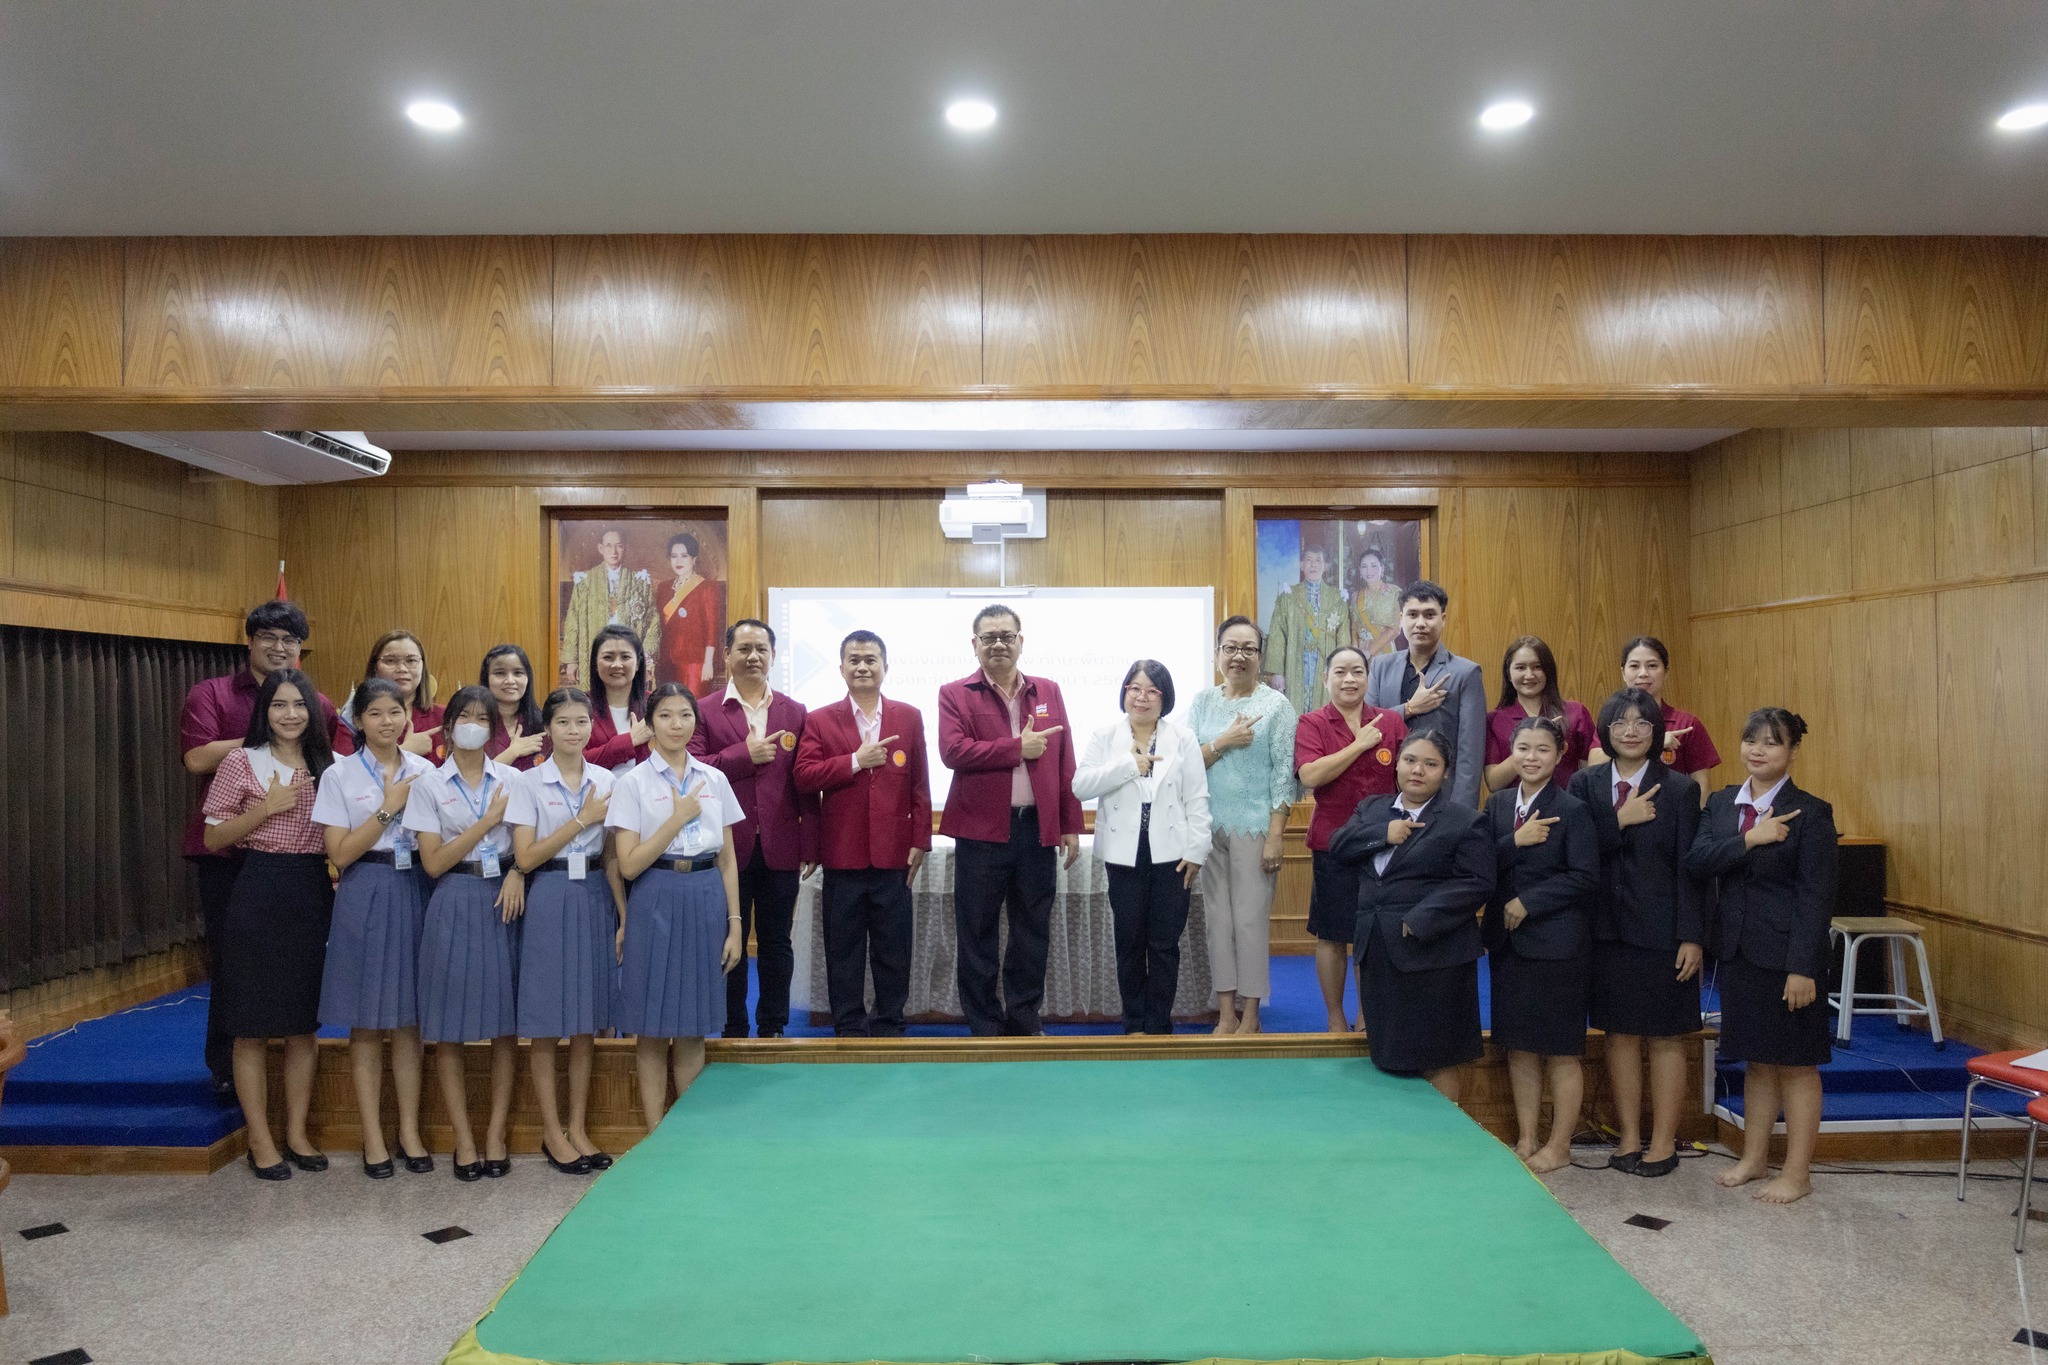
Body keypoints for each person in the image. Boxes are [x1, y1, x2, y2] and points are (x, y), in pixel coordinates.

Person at [179, 600, 340, 1092]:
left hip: (304, 867)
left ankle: (280, 1080)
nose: (279, 647)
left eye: (290, 640)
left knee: (299, 976)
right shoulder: (212, 693)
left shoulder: (322, 704)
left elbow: (339, 761)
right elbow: (196, 758)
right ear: (249, 641)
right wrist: (262, 739)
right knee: (233, 967)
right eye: (268, 636)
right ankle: (227, 1071)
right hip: (231, 862)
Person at [1686, 707, 1837, 1205]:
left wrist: (1803, 967)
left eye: (1771, 742)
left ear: (1792, 751)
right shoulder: (1725, 802)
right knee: (1757, 1063)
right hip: (1737, 953)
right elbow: (1699, 860)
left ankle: (1798, 1172)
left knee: (1796, 1064)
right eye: (1751, 739)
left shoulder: (1812, 811)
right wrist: (1750, 838)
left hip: (1789, 958)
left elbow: (1816, 897)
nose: (1758, 749)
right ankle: (1754, 1158)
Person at [199, 667, 336, 1180]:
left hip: (313, 890)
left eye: (299, 705)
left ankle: (297, 1132)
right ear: (265, 711)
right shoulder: (242, 762)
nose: (290, 714)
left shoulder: (329, 764)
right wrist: (268, 807)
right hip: (258, 887)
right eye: (279, 705)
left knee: (303, 1025)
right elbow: (214, 839)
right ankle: (260, 1140)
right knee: (251, 1026)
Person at [1568, 687, 1702, 1179]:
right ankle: (1627, 1137)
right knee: (1619, 1036)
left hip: (1663, 932)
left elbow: (1691, 870)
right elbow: (1575, 850)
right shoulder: (1585, 785)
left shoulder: (1682, 789)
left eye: (1642, 723)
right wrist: (1618, 822)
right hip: (1603, 931)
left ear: (1656, 732)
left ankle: (1663, 1143)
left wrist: (1693, 935)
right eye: (1620, 722)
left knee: (1666, 1038)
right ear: (1605, 730)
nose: (1630, 731)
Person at [312, 678, 438, 1178]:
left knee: (409, 1021)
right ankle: (372, 1136)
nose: (387, 722)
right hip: (364, 888)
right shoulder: (338, 775)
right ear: (358, 720)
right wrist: (389, 805)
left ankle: (408, 1130)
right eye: (376, 713)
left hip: (415, 890)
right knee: (366, 1023)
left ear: (408, 717)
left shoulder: (427, 770)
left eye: (396, 712)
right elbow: (339, 854)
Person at [937, 605, 1082, 1037]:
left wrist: (1070, 823)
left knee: (1032, 931)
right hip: (980, 832)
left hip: (1035, 829)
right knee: (977, 933)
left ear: (1021, 640)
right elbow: (953, 752)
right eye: (989, 637)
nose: (998, 643)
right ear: (975, 644)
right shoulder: (955, 693)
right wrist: (1016, 748)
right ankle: (983, 1024)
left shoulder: (1048, 691)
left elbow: (1064, 759)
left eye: (1006, 635)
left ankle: (1023, 1019)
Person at [608, 684, 745, 1131]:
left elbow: (727, 859)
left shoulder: (715, 779)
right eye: (665, 716)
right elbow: (627, 865)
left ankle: (686, 1134)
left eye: (685, 715)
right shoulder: (632, 783)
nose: (676, 725)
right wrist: (676, 819)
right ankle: (653, 1132)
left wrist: (736, 925)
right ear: (649, 724)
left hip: (705, 895)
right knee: (650, 1028)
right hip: (655, 894)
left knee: (691, 1026)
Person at [1329, 729, 1494, 1100]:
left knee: (1440, 1057)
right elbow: (1339, 845)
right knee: (1388, 1055)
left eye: (1431, 764)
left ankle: (1444, 1145)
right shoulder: (1372, 809)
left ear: (1446, 772)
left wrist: (1420, 919)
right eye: (1410, 760)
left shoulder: (1464, 820)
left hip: (1435, 953)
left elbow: (1477, 882)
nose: (1418, 770)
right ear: (1398, 763)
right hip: (1378, 949)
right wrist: (1383, 833)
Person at [406, 684, 525, 1182]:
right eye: (464, 717)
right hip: (453, 899)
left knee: (504, 1027)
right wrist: (484, 825)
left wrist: (518, 869)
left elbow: (525, 846)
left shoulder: (514, 779)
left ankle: (496, 1133)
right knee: (449, 1030)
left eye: (483, 717)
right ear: (447, 727)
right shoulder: (428, 785)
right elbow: (433, 862)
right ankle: (463, 1139)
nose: (473, 724)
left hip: (504, 899)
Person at [793, 631, 931, 1037]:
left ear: (885, 667)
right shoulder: (819, 719)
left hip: (894, 856)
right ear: (841, 669)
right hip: (843, 855)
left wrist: (920, 840)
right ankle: (849, 1025)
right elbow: (803, 776)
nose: (863, 667)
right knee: (844, 950)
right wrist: (855, 760)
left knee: (894, 948)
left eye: (871, 660)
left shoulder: (908, 716)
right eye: (854, 660)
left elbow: (920, 784)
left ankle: (889, 1022)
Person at [507, 688, 620, 1175]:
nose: (574, 731)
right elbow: (526, 857)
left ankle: (578, 1126)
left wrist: (623, 914)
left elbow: (613, 854)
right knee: (547, 1022)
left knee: (585, 1023)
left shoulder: (606, 778)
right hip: (549, 893)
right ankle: (552, 1131)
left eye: (581, 722)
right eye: (563, 723)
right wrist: (582, 819)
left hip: (594, 891)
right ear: (546, 729)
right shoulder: (527, 784)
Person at [689, 618, 819, 1038]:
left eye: (761, 649)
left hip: (781, 845)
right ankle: (732, 1024)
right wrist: (741, 756)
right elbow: (692, 769)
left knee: (777, 941)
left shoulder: (794, 712)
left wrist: (811, 842)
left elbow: (806, 781)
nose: (753, 657)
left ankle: (773, 1024)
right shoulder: (704, 710)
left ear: (774, 656)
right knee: (732, 934)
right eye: (743, 648)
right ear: (726, 655)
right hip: (727, 846)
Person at [1482, 715, 1600, 1174]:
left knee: (1560, 1049)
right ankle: (1527, 1137)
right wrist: (1514, 840)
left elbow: (1585, 877)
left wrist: (1529, 901)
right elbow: (1478, 862)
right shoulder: (1497, 806)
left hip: (1558, 946)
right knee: (1519, 1047)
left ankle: (1560, 1144)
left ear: (1560, 754)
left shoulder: (1573, 810)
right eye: (1523, 749)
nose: (1531, 758)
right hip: (1508, 946)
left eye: (1542, 750)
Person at [1073, 661, 1210, 1035]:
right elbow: (1081, 785)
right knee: (1130, 942)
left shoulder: (1182, 738)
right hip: (1123, 857)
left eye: (1152, 690)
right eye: (1134, 688)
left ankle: (1159, 1023)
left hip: (1174, 857)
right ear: (1124, 692)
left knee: (1165, 944)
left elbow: (1197, 799)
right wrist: (1128, 765)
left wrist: (1197, 851)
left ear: (1164, 698)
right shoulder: (1106, 737)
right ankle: (1133, 1022)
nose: (1142, 697)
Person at [1189, 616, 1298, 1034]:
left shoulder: (1276, 706)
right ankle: (1224, 1012)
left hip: (1255, 829)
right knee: (1217, 920)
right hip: (1207, 828)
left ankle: (1251, 1013)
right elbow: (1185, 762)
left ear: (1260, 656)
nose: (1239, 656)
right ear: (1217, 653)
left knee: (1249, 921)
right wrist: (1222, 743)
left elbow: (1284, 775)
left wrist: (1276, 835)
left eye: (1248, 648)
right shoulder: (1202, 703)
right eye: (1230, 647)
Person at [1294, 645, 1405, 1032]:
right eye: (1340, 672)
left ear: (1367, 678)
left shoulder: (1390, 721)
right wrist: (1358, 745)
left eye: (1357, 671)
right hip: (1333, 843)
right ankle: (1335, 1018)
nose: (1349, 679)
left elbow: (1405, 776)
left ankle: (1367, 1016)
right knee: (1333, 934)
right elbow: (1310, 776)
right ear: (1326, 679)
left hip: (1385, 841)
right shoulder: (1312, 723)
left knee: (1371, 934)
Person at [1365, 581, 1487, 808]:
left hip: (1442, 800)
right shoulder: (1381, 666)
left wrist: (1460, 815)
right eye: (1412, 614)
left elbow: (1470, 755)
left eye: (1429, 615)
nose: (1420, 623)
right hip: (1385, 797)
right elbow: (1368, 727)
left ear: (1443, 619)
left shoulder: (1466, 673)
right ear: (1401, 619)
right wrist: (1408, 709)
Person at [1589, 636, 1720, 779]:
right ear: (1623, 673)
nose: (1643, 673)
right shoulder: (1613, 719)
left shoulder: (1687, 724)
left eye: (1652, 666)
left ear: (1666, 672)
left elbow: (1701, 787)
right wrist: (1655, 743)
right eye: (1634, 666)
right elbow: (1594, 764)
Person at [1482, 636, 1597, 793]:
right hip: (1517, 812)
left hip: (1568, 806)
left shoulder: (1575, 712)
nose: (1529, 675)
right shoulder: (1494, 719)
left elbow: (1591, 773)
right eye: (1520, 668)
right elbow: (1494, 782)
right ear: (1508, 674)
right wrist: (1533, 740)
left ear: (1548, 671)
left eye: (1537, 667)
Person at [560, 526, 656, 687]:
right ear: (601, 548)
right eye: (609, 545)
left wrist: (645, 656)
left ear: (625, 548)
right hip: (594, 652)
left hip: (627, 654)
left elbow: (653, 620)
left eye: (619, 545)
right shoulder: (585, 581)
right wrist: (571, 660)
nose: (614, 551)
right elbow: (573, 620)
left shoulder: (639, 582)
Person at [1266, 544, 1352, 712]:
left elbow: (1343, 639)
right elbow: (1277, 635)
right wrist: (1277, 672)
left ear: (1325, 566)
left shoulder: (1337, 598)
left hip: (1325, 665)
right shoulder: (1288, 596)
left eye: (1318, 560)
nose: (1313, 565)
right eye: (1309, 560)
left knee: (1324, 714)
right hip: (1295, 663)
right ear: (1302, 565)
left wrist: (1341, 671)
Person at [332, 630, 443, 759]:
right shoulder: (355, 714)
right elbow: (344, 771)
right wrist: (404, 752)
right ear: (375, 667)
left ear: (423, 667)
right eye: (390, 660)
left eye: (411, 660)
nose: (402, 668)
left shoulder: (444, 716)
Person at [655, 532, 724, 692]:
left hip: (695, 664)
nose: (678, 561)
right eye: (674, 556)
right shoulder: (664, 588)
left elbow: (712, 629)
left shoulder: (707, 587)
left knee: (693, 709)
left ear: (694, 559)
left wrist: (708, 662)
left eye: (684, 555)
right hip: (667, 664)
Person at [584, 623, 653, 773]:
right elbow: (574, 762)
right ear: (595, 663)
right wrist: (629, 741)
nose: (617, 664)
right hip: (594, 795)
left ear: (638, 663)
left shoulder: (655, 705)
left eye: (625, 657)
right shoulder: (579, 706)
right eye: (608, 657)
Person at [479, 644, 547, 771]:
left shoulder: (544, 724)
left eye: (518, 673)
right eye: (500, 673)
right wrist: (512, 752)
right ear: (486, 678)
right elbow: (471, 781)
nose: (510, 680)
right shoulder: (474, 726)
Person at [1350, 546, 1403, 658]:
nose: (1369, 571)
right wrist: (1355, 650)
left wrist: (1369, 652)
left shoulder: (1394, 592)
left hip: (1385, 652)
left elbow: (1395, 629)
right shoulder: (1355, 596)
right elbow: (1354, 627)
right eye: (1364, 566)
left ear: (1382, 568)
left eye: (1373, 565)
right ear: (1360, 570)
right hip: (1361, 653)